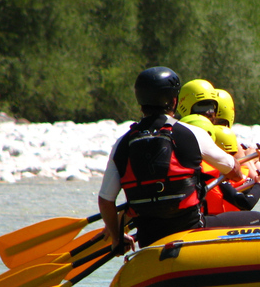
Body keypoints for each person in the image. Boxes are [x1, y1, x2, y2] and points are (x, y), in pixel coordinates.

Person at [98, 66, 245, 253]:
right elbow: (235, 171)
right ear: (174, 101)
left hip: (149, 239)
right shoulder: (192, 133)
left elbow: (105, 201)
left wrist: (117, 238)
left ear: (140, 101)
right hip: (191, 232)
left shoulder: (123, 143)